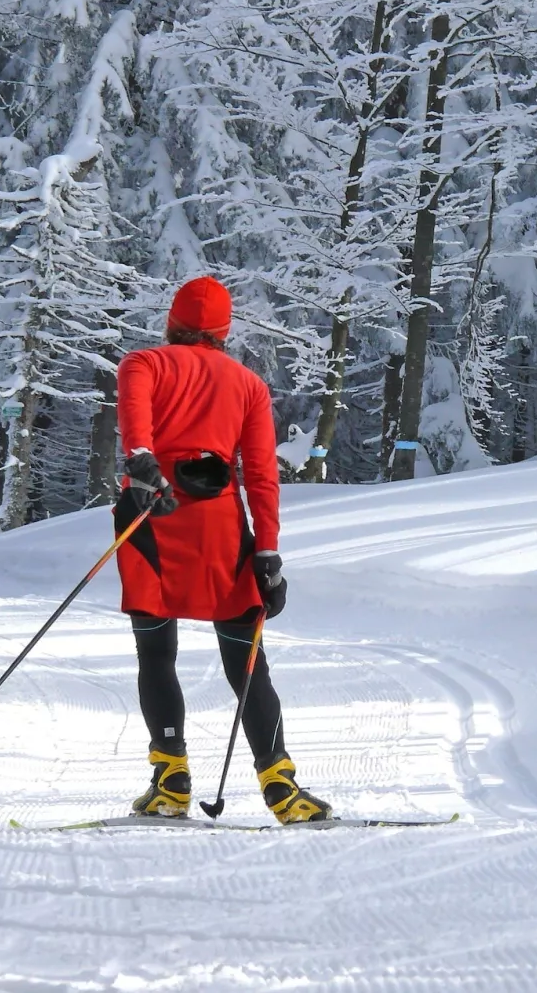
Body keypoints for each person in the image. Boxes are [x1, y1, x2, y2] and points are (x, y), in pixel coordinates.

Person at [114, 275, 332, 823]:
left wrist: (142, 458)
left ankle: (171, 782)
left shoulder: (143, 363)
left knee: (155, 654)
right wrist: (268, 554)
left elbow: (135, 417)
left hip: (150, 518)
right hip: (222, 531)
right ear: (223, 332)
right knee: (247, 662)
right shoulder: (249, 385)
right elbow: (261, 474)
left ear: (173, 321)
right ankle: (282, 788)